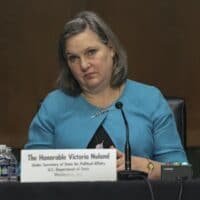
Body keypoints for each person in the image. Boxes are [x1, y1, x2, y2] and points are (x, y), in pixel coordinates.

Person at [24, 11, 187, 179]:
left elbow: (181, 172)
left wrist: (143, 165)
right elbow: (29, 172)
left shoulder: (150, 99)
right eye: (73, 58)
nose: (84, 65)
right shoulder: (54, 105)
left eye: (91, 52)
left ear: (111, 49)